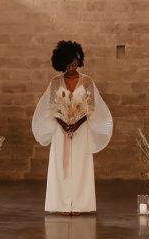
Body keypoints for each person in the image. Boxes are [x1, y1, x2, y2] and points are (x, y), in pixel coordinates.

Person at [32, 41, 113, 214]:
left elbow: (90, 107)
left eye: (75, 61)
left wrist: (76, 124)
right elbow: (52, 108)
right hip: (61, 131)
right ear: (61, 63)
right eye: (68, 62)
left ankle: (79, 204)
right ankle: (62, 204)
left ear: (79, 59)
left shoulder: (87, 82)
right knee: (62, 166)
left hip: (80, 130)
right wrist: (64, 124)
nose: (72, 65)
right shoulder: (55, 83)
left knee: (80, 165)